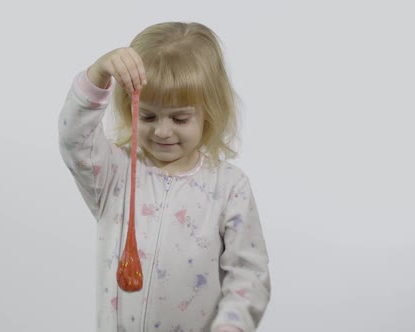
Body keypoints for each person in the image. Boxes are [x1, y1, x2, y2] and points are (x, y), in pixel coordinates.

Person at [58, 21, 270, 332]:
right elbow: (74, 139)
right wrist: (99, 73)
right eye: (147, 115)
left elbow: (248, 276)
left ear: (208, 112)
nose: (161, 131)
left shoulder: (229, 188)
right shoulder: (113, 173)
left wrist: (231, 326)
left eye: (180, 117)